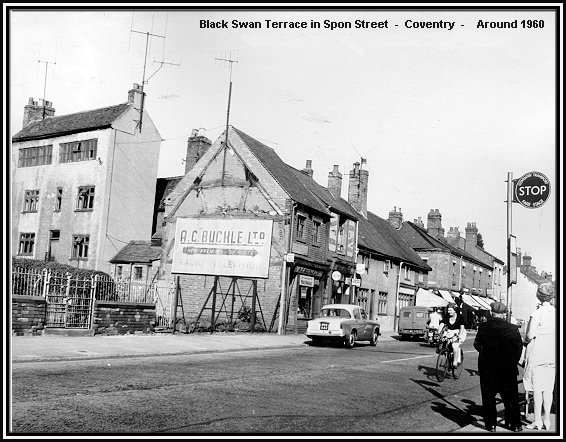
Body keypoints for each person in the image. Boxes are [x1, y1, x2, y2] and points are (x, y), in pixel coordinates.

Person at [473, 301, 523, 432]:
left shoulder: (483, 327)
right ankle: (516, 425)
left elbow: (477, 345)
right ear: (504, 314)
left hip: (488, 368)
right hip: (508, 368)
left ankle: (491, 425)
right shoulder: (512, 328)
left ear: (491, 312)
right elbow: (518, 348)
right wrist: (512, 361)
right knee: (511, 398)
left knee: (489, 398)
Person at [522, 282, 556, 431]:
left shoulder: (537, 313)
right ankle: (547, 419)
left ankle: (537, 420)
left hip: (538, 353)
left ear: (539, 296)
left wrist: (526, 340)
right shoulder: (556, 313)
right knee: (548, 389)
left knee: (537, 389)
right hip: (552, 353)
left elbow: (529, 335)